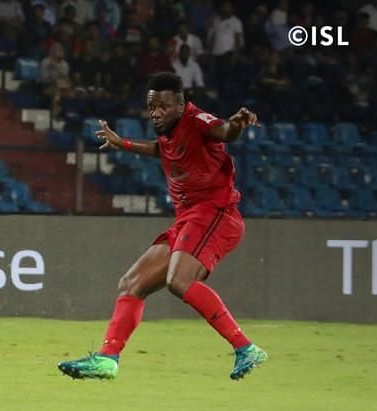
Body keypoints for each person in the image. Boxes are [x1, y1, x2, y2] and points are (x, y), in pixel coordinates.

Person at [57, 72, 267, 381]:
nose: (156, 112)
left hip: (215, 214)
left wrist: (236, 123)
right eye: (152, 106)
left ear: (181, 104)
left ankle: (245, 348)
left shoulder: (196, 120)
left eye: (163, 106)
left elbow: (224, 131)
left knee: (179, 281)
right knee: (132, 283)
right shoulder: (171, 131)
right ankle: (108, 359)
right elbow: (163, 149)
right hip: (188, 219)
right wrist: (123, 143)